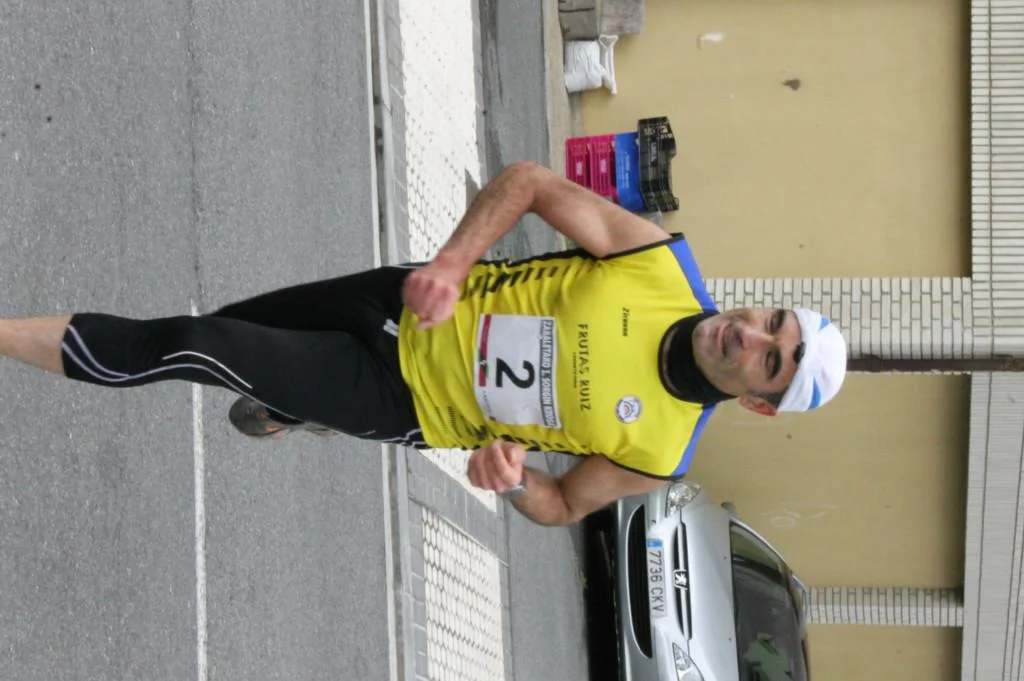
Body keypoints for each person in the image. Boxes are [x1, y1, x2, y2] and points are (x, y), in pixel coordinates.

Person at [0, 161, 847, 526]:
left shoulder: (659, 450)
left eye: (768, 359)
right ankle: (292, 407)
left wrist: (511, 480)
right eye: (772, 319)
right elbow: (530, 183)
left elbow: (560, 504)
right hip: (399, 298)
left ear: (758, 402)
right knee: (235, 323)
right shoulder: (659, 262)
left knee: (193, 341)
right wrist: (451, 262)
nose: (749, 334)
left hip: (403, 399)